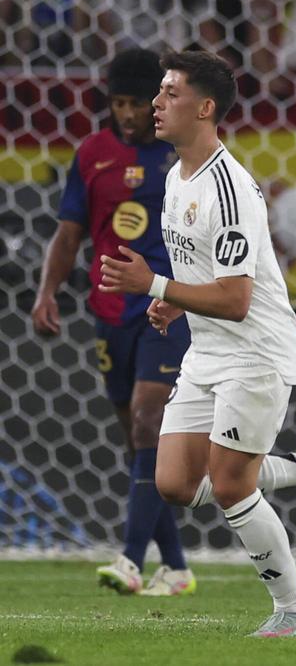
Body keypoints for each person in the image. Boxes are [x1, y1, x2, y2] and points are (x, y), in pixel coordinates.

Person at [98, 50, 296, 637]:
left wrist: (156, 283)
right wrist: (172, 297)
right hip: (208, 350)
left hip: (256, 349)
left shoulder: (230, 189)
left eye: (171, 93)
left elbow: (238, 299)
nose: (157, 103)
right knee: (174, 482)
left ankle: (295, 611)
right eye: (160, 92)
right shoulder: (176, 177)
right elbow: (203, 273)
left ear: (206, 108)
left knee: (228, 485)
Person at [32, 48, 194, 597]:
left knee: (150, 422)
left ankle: (128, 560)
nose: (126, 114)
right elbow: (70, 232)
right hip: (110, 314)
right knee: (138, 441)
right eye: (117, 103)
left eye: (135, 103)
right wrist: (47, 290)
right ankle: (176, 567)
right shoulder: (91, 154)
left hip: (164, 311)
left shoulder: (182, 155)